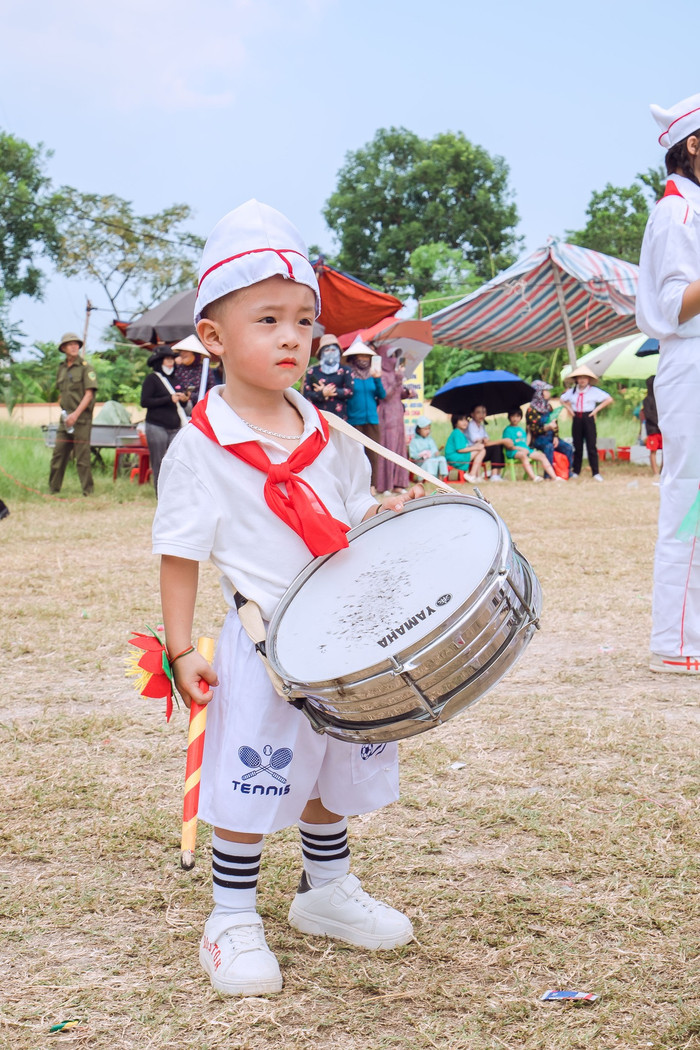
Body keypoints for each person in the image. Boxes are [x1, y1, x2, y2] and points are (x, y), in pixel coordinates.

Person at [152, 199, 425, 997]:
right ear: (213, 337)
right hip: (263, 640)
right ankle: (231, 916)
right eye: (267, 319)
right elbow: (180, 555)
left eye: (304, 321)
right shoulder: (202, 445)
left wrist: (380, 516)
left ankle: (326, 891)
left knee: (331, 770)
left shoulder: (332, 430)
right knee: (253, 775)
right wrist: (177, 649)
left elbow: (345, 515)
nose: (292, 337)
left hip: (341, 637)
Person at [636, 92, 700, 674]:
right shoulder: (677, 213)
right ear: (695, 145)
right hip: (692, 359)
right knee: (691, 498)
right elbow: (677, 305)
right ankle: (676, 642)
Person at [48, 332, 98, 496]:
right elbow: (61, 392)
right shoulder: (61, 368)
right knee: (58, 454)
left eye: (76, 344)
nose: (74, 346)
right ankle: (53, 489)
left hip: (81, 418)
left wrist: (75, 415)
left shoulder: (86, 367)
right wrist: (65, 413)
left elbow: (89, 394)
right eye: (70, 344)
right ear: (63, 348)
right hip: (65, 418)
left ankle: (88, 491)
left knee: (82, 457)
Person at [140, 345, 188, 495]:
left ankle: (175, 494)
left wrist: (184, 399)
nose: (170, 362)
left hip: (175, 426)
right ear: (159, 361)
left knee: (178, 461)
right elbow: (145, 401)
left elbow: (182, 403)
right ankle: (159, 494)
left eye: (172, 359)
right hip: (156, 426)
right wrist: (168, 399)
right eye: (167, 359)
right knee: (159, 462)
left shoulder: (176, 379)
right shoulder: (152, 379)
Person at [343, 340, 386, 493]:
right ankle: (356, 487)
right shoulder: (348, 374)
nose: (363, 359)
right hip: (354, 419)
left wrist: (378, 378)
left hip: (372, 420)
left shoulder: (373, 375)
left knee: (372, 454)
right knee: (355, 455)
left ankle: (372, 486)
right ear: (354, 357)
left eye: (366, 356)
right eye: (360, 356)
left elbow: (382, 395)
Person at [560, 365, 613, 481]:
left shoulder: (594, 391)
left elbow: (609, 399)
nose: (582, 380)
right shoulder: (572, 391)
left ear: (588, 379)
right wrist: (569, 410)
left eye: (585, 378)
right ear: (576, 379)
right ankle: (576, 471)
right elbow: (562, 399)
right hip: (577, 418)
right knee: (577, 445)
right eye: (580, 378)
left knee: (591, 445)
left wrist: (595, 411)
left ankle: (595, 472)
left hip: (588, 417)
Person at [375, 347, 411, 496]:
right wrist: (397, 381)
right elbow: (385, 395)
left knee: (399, 447)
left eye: (396, 356)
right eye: (391, 356)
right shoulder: (381, 374)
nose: (394, 359)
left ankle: (398, 483)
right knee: (388, 447)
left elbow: (399, 394)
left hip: (398, 413)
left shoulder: (396, 373)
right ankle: (385, 485)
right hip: (386, 414)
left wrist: (407, 391)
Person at [525, 381, 573, 477]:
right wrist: (546, 428)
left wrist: (555, 436)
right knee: (549, 447)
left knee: (568, 447)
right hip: (538, 439)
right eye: (546, 390)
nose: (548, 392)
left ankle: (567, 472)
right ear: (539, 392)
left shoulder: (549, 407)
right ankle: (549, 475)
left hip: (551, 437)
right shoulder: (531, 410)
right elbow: (533, 430)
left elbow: (555, 423)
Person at [301, 333, 354, 419]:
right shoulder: (312, 371)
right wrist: (322, 393)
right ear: (321, 353)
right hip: (318, 416)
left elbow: (350, 391)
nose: (330, 353)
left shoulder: (345, 370)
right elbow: (306, 395)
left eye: (333, 350)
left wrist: (331, 391)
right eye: (327, 350)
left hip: (339, 416)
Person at [501, 407, 560, 482]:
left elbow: (526, 443)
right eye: (513, 416)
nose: (515, 419)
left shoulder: (521, 429)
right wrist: (521, 449)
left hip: (526, 450)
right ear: (509, 417)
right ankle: (534, 477)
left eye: (517, 416)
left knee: (542, 456)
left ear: (520, 418)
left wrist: (529, 431)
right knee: (523, 455)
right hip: (514, 451)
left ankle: (554, 477)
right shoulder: (507, 430)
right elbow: (508, 446)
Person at [172, 335, 217, 411]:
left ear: (195, 354)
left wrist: (191, 396)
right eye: (181, 351)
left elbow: (212, 391)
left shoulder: (204, 369)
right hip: (177, 409)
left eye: (186, 351)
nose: (182, 354)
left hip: (199, 409)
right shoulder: (176, 368)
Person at [465, 404, 506, 481]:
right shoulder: (471, 425)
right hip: (474, 451)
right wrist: (502, 441)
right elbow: (479, 441)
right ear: (472, 414)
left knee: (499, 446)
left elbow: (486, 440)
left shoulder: (481, 426)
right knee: (496, 447)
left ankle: (497, 473)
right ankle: (494, 475)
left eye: (483, 412)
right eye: (478, 412)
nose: (481, 415)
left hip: (482, 448)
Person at [444, 413, 486, 482]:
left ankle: (476, 475)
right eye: (461, 420)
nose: (465, 422)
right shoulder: (457, 433)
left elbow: (465, 447)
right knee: (482, 450)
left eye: (466, 420)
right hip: (454, 458)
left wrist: (477, 444)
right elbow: (460, 450)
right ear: (455, 422)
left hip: (458, 456)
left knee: (481, 450)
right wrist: (476, 448)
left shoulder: (461, 433)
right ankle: (472, 475)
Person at [641, 375, 662, 482]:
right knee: (653, 451)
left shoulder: (663, 399)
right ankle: (655, 472)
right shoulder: (647, 400)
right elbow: (648, 415)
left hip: (662, 429)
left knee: (666, 451)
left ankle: (663, 471)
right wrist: (660, 424)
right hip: (653, 429)